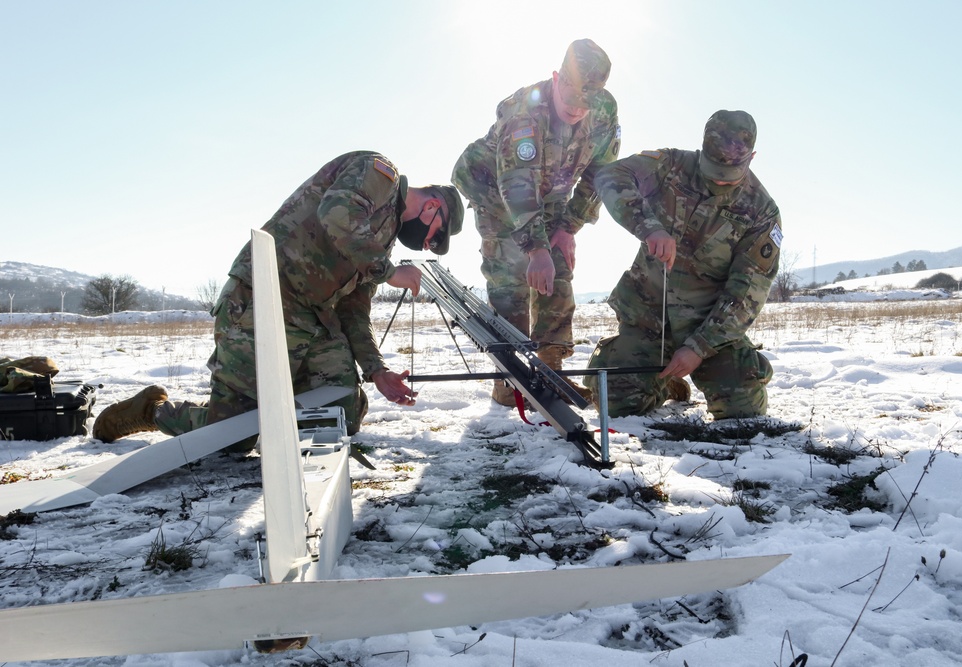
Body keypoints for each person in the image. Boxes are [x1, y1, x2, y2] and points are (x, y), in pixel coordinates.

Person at [93, 150, 464, 443]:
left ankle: (286, 412)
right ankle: (153, 410)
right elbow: (336, 214)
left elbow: (354, 311)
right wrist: (389, 272)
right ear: (432, 207)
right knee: (233, 436)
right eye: (435, 236)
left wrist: (377, 371)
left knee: (341, 415)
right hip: (262, 303)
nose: (428, 244)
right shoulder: (380, 175)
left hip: (312, 322)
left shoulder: (379, 242)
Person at [452, 38, 621, 406]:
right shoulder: (523, 114)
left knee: (557, 267)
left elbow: (601, 176)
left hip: (549, 193)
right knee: (511, 276)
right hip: (495, 189)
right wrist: (534, 247)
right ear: (556, 78)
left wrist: (568, 228)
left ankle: (550, 368)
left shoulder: (604, 112)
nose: (578, 110)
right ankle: (509, 382)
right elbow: (516, 183)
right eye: (572, 99)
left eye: (586, 103)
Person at [584, 110, 782, 420]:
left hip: (708, 329)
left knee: (741, 410)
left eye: (730, 173)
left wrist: (699, 347)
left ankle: (745, 367)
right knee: (616, 402)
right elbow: (610, 176)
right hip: (648, 318)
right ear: (702, 150)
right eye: (713, 168)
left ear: (752, 157)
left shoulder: (761, 212)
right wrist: (648, 226)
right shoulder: (670, 165)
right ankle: (664, 383)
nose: (719, 179)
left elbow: (746, 294)